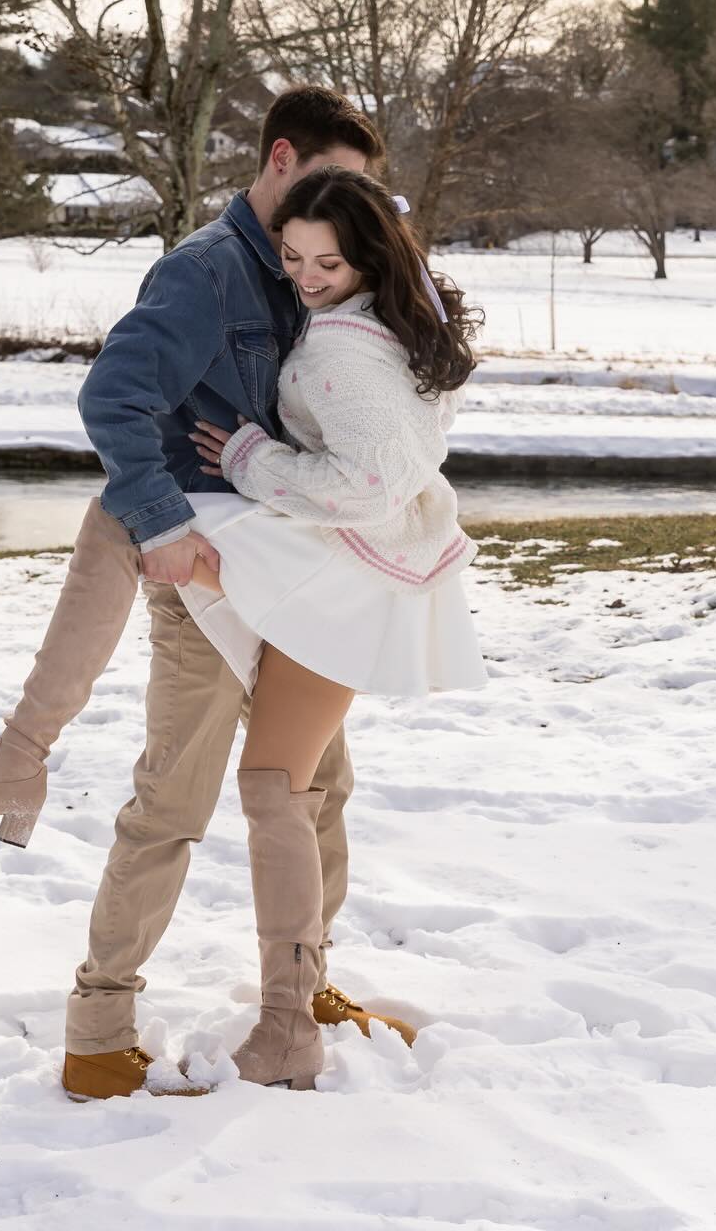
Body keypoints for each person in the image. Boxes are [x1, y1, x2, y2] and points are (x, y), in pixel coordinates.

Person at [0, 86, 410, 1098]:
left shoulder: (318, 271)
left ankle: (304, 994)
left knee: (318, 791)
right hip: (205, 578)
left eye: (362, 193)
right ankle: (101, 1024)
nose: (346, 204)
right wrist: (162, 525)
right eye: (333, 180)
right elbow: (114, 398)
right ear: (280, 158)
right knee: (173, 802)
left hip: (298, 572)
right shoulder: (209, 271)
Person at [160, 165, 486, 1092]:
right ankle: (295, 1011)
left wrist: (258, 459)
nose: (305, 276)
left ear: (368, 256)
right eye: (294, 258)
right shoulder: (395, 322)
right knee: (287, 788)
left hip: (346, 577)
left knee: (272, 789)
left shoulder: (341, 353)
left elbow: (372, 484)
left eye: (327, 262)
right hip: (361, 571)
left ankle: (289, 1027)